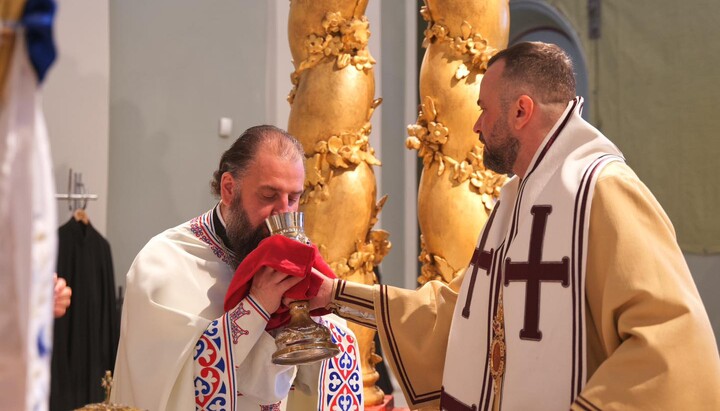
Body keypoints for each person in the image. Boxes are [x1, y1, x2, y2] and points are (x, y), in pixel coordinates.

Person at [306, 42, 720, 410]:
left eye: (484, 110)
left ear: (521, 111)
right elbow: (458, 315)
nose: (476, 126)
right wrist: (336, 294)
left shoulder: (604, 190)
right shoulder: (516, 199)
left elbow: (672, 342)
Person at [111, 125, 363, 411]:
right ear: (229, 189)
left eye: (293, 199)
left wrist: (311, 317)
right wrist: (256, 308)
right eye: (269, 196)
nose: (284, 213)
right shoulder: (163, 263)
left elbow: (328, 362)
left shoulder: (293, 263)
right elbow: (168, 386)